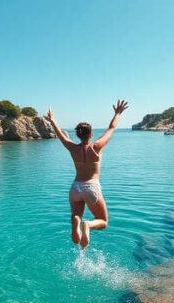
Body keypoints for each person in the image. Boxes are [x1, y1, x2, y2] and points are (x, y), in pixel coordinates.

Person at [46, 100, 129, 249]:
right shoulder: (96, 147)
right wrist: (117, 113)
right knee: (103, 221)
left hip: (75, 188)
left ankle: (77, 222)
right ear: (91, 134)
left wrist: (52, 120)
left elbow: (60, 135)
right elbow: (111, 128)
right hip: (91, 187)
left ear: (77, 134)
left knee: (76, 215)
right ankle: (88, 225)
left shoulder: (72, 148)